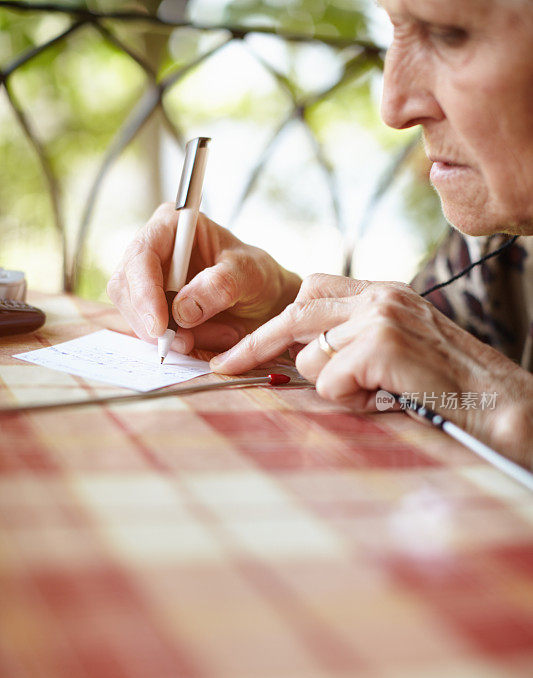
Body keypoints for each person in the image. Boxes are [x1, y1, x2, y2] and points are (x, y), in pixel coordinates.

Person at [107, 0, 533, 470]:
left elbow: (475, 380)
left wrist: (513, 414)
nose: (392, 107)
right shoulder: (500, 244)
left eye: (448, 34)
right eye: (394, 29)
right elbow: (437, 351)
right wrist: (286, 316)